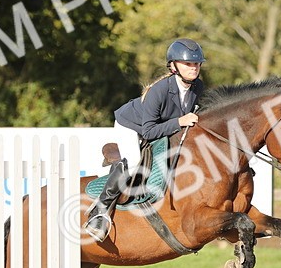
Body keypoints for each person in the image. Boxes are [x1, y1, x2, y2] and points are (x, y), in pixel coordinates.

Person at [84, 38, 207, 241]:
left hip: (160, 126)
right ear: (174, 66)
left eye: (197, 64)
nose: (194, 68)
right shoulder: (159, 91)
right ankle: (99, 211)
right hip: (131, 126)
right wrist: (180, 121)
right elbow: (149, 131)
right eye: (188, 64)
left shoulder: (197, 87)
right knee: (132, 163)